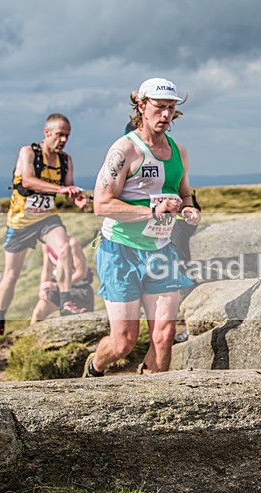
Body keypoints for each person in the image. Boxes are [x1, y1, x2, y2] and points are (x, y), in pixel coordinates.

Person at [84, 78, 200, 377]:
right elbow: (102, 205)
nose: (166, 114)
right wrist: (151, 211)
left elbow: (185, 192)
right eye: (159, 107)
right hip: (120, 251)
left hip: (161, 251)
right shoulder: (124, 150)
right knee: (123, 342)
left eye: (171, 108)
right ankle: (95, 367)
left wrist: (189, 208)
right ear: (141, 106)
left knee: (164, 336)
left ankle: (153, 400)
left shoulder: (179, 152)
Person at [0, 113, 88, 336]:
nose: (63, 140)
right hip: (21, 222)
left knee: (64, 248)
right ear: (46, 132)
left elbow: (69, 191)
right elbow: (28, 181)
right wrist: (61, 189)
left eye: (67, 136)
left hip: (46, 219)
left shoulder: (65, 160)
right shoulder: (28, 153)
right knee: (11, 275)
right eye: (59, 135)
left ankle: (65, 302)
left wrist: (78, 200)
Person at [31, 237, 94, 324]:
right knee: (38, 313)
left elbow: (81, 273)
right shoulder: (46, 245)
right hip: (58, 286)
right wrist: (42, 288)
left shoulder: (72, 243)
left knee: (79, 322)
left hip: (79, 287)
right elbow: (47, 269)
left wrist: (57, 285)